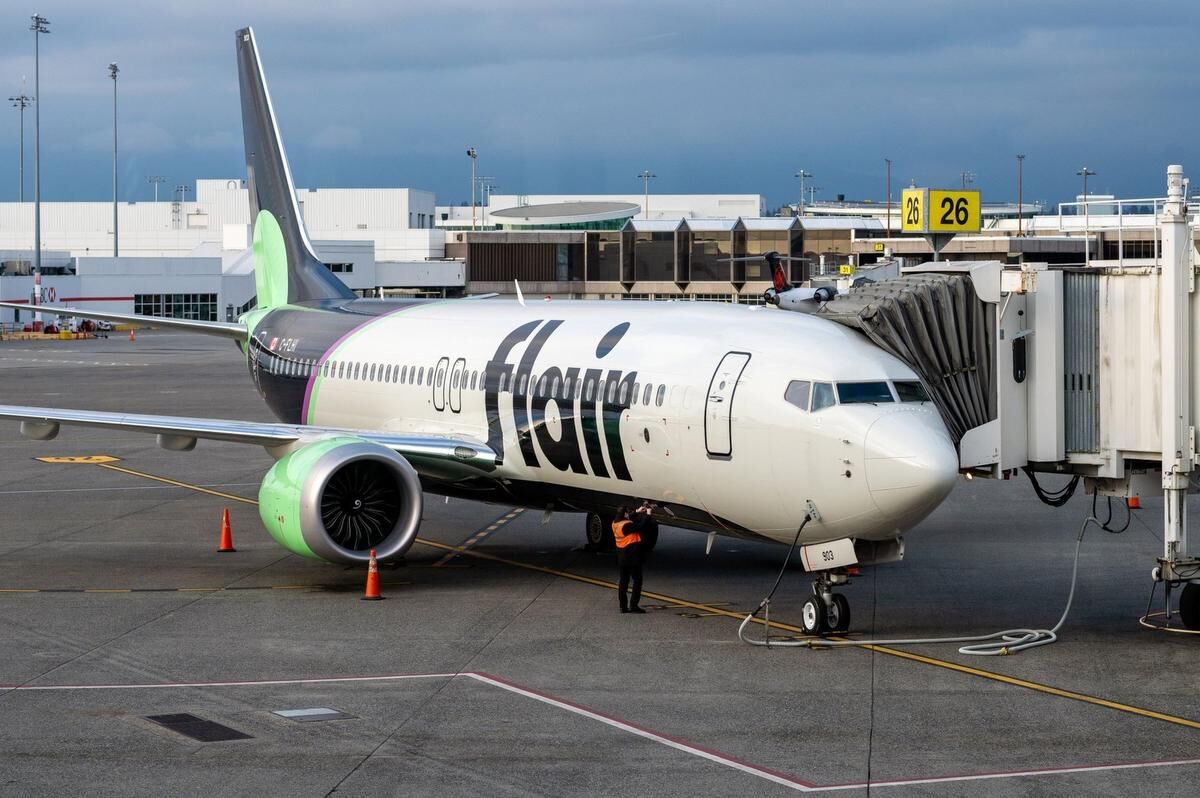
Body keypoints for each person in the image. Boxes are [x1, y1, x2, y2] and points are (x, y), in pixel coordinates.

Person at [612, 503, 653, 614]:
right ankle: (634, 605)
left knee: (623, 582)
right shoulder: (627, 526)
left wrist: (637, 511)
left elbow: (628, 518)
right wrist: (648, 515)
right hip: (632, 557)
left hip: (622, 558)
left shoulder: (615, 523)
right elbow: (642, 526)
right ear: (625, 514)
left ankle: (623, 607)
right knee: (637, 580)